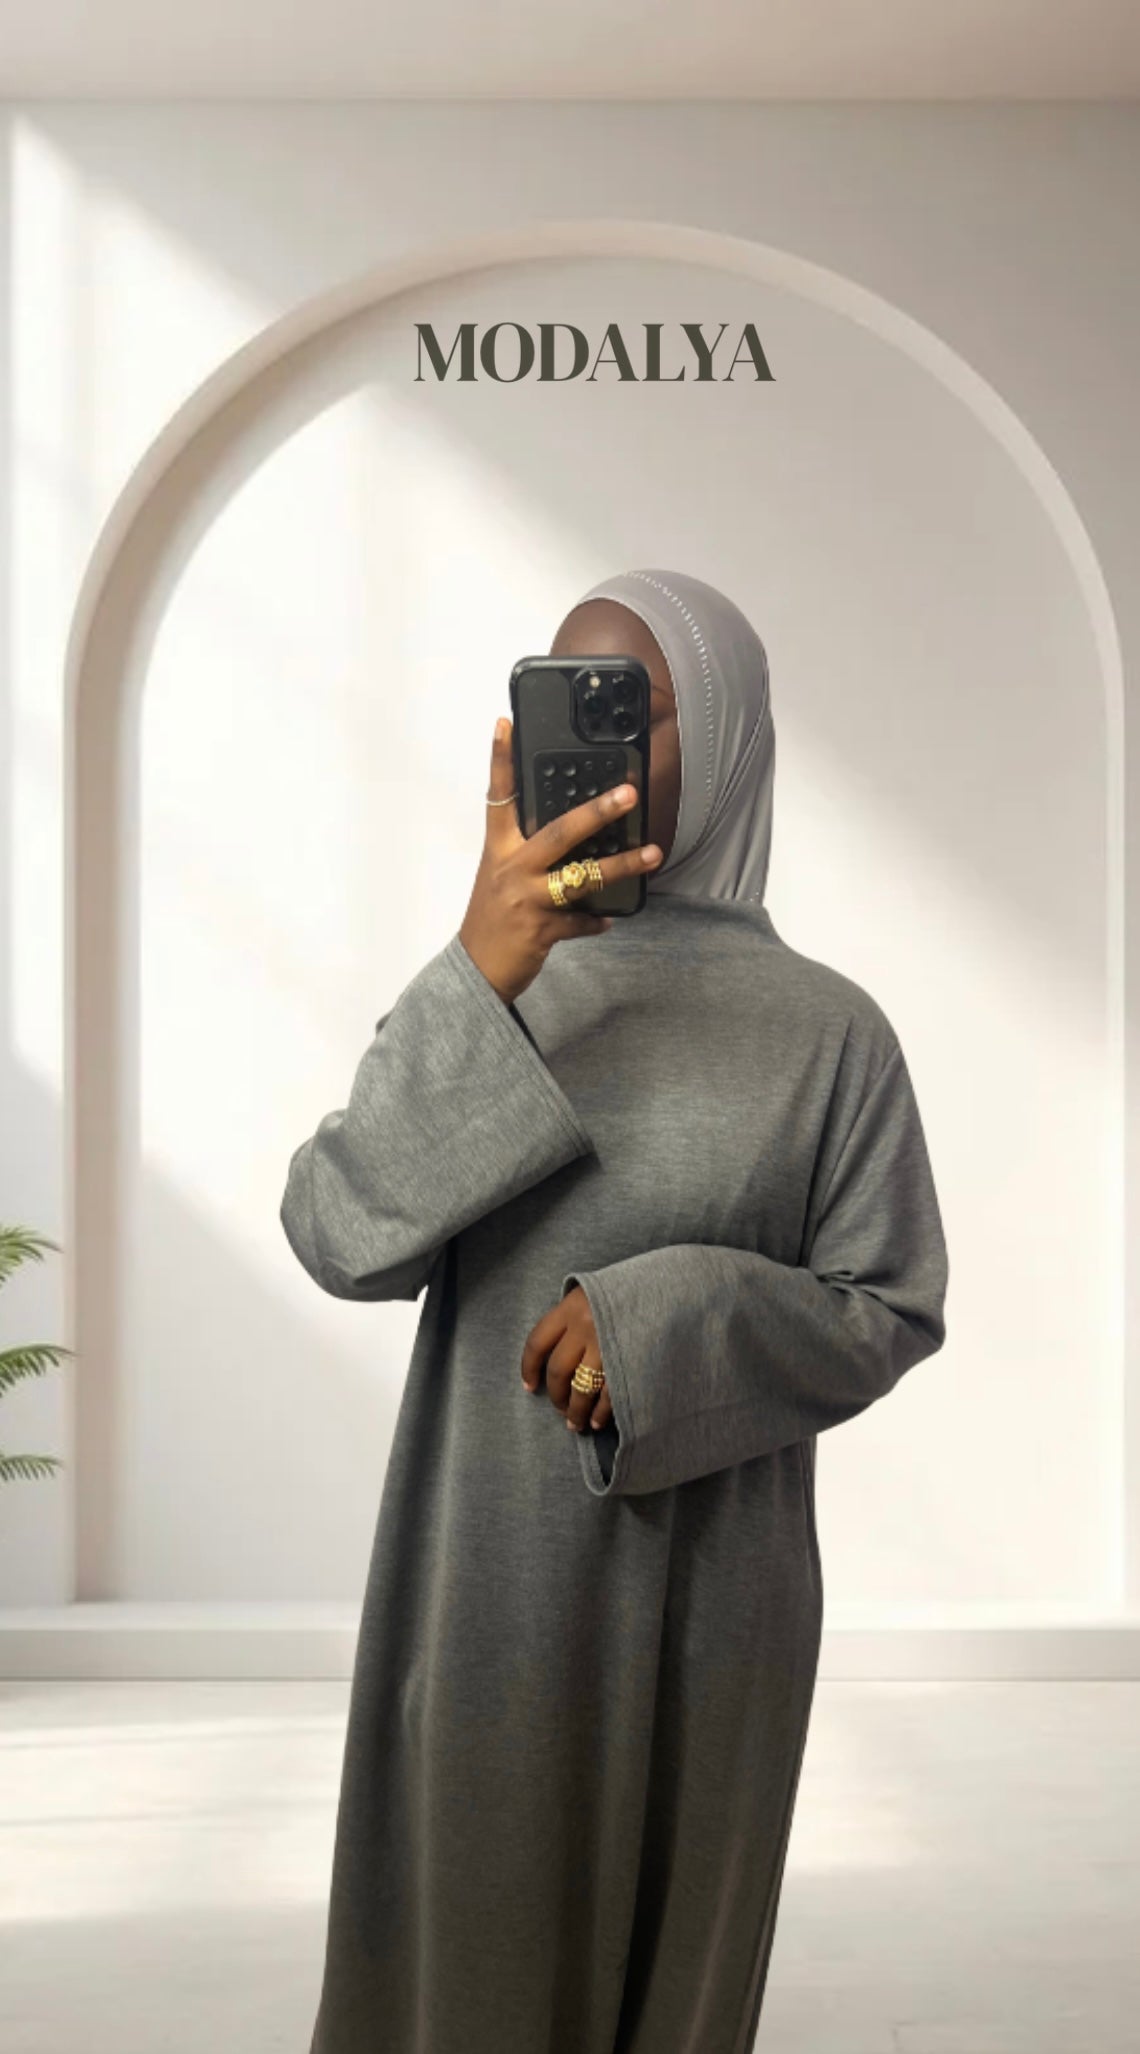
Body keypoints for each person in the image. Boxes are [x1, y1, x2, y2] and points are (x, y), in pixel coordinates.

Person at [280, 566, 949, 2054]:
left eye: (630, 712)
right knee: (459, 1979)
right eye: (558, 706)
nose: (589, 753)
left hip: (720, 1608)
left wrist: (664, 1318)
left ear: (726, 734)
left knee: (675, 1975)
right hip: (482, 1587)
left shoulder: (832, 1032)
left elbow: (890, 1304)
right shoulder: (491, 991)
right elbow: (337, 1235)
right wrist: (478, 975)